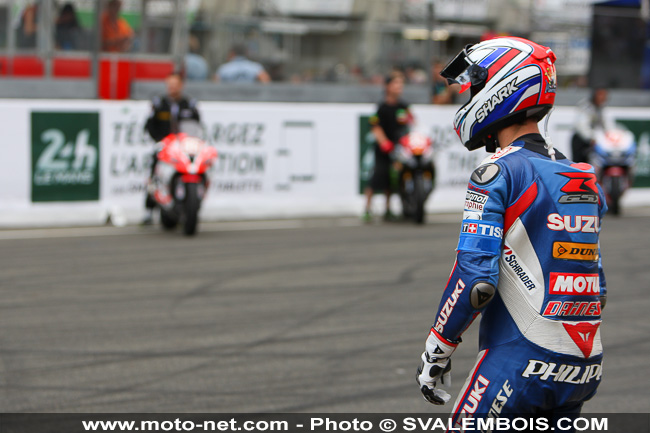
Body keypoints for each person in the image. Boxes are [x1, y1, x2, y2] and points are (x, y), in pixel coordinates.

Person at [415, 37, 607, 429]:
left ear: (503, 85)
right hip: (583, 364)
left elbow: (475, 280)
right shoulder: (584, 177)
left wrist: (438, 346)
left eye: (474, 84)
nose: (467, 94)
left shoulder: (497, 173)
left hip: (520, 358)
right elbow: (596, 285)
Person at [142, 72, 201, 225]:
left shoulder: (189, 104)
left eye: (175, 85)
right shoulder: (159, 103)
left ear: (181, 85)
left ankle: (191, 205)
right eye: (170, 85)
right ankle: (149, 209)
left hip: (183, 147)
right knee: (154, 172)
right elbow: (149, 125)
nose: (172, 88)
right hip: (164, 146)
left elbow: (197, 126)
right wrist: (159, 140)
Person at [363, 72, 413, 222]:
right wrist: (384, 142)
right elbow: (375, 126)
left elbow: (410, 123)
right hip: (383, 149)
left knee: (393, 179)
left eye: (401, 84)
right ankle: (367, 208)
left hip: (399, 149)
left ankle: (388, 208)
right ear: (388, 87)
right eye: (396, 83)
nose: (399, 87)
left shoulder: (403, 106)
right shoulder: (382, 107)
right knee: (377, 176)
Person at [571, 88, 609, 163]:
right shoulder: (587, 106)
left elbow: (606, 124)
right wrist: (593, 138)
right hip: (581, 141)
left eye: (605, 95)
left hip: (593, 141)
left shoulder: (601, 108)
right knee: (580, 166)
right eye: (601, 94)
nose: (603, 97)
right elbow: (582, 127)